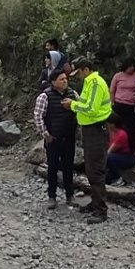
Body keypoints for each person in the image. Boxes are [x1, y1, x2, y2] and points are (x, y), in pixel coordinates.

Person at [62, 58, 112, 224]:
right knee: (91, 168)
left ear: (86, 69)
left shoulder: (95, 83)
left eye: (78, 72)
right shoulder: (90, 82)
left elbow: (91, 109)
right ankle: (95, 202)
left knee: (95, 170)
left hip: (96, 130)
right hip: (90, 129)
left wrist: (72, 105)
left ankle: (101, 210)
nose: (77, 76)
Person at [33, 68, 78, 209]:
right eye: (61, 79)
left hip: (69, 137)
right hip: (53, 138)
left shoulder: (73, 94)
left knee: (68, 168)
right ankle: (51, 197)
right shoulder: (45, 96)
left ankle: (70, 195)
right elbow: (38, 116)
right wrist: (45, 134)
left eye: (66, 79)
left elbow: (80, 109)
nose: (65, 81)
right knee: (52, 168)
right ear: (53, 82)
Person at [110, 58, 135, 155]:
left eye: (133, 67)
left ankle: (131, 149)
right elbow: (112, 90)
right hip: (119, 104)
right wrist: (112, 102)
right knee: (118, 127)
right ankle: (117, 147)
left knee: (131, 128)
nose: (132, 69)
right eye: (130, 67)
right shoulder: (118, 76)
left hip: (131, 105)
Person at [105, 113, 135, 185]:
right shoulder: (111, 132)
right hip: (117, 156)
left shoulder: (121, 134)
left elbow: (110, 150)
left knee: (108, 157)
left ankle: (118, 178)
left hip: (126, 157)